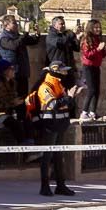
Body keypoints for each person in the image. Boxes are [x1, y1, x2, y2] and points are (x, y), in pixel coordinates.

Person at [35, 62, 81, 196]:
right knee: (47, 156)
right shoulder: (45, 87)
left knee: (58, 155)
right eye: (63, 71)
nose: (66, 73)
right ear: (56, 71)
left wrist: (73, 97)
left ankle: (60, 186)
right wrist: (69, 97)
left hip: (61, 124)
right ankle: (44, 186)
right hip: (50, 125)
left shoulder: (59, 85)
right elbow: (54, 104)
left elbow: (68, 106)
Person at [0, 14, 40, 98]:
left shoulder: (17, 36)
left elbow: (32, 41)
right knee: (12, 99)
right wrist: (26, 32)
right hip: (11, 74)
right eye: (14, 23)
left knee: (23, 97)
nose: (17, 25)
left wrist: (37, 33)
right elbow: (14, 45)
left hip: (22, 72)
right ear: (7, 25)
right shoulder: (4, 38)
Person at [0, 60, 28, 143]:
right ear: (5, 71)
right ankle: (23, 146)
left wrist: (18, 101)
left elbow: (12, 98)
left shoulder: (13, 83)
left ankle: (30, 142)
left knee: (27, 118)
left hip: (9, 111)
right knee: (15, 124)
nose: (14, 71)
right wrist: (12, 103)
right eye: (11, 68)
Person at [45, 16, 79, 87]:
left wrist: (77, 38)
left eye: (64, 24)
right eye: (61, 24)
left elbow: (76, 48)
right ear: (55, 25)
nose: (63, 26)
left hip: (69, 69)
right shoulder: (51, 36)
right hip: (57, 70)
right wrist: (71, 34)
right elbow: (60, 43)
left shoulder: (65, 35)